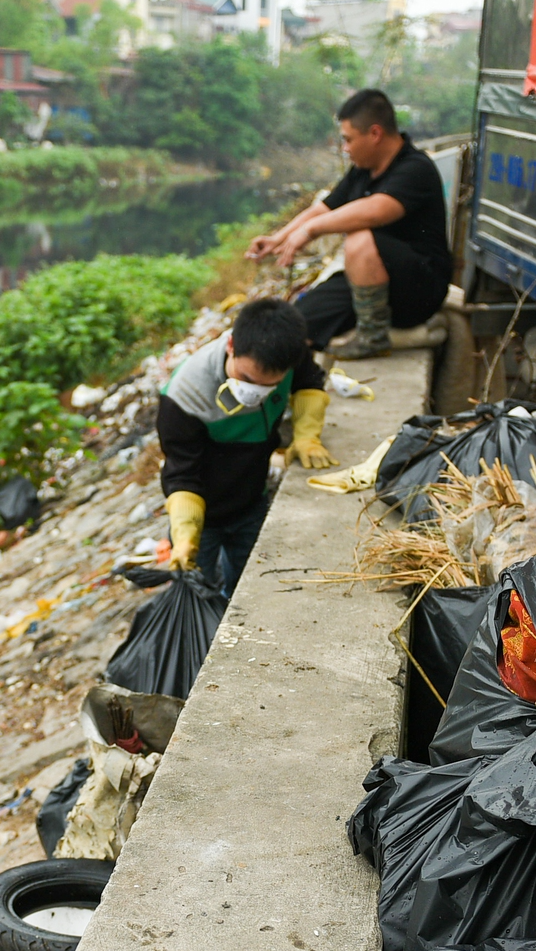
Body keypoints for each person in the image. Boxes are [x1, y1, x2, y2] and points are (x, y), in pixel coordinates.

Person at [246, 89, 452, 359]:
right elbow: (323, 207)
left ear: (375, 134)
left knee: (360, 238)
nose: (345, 148)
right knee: (297, 324)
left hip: (418, 290)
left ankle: (372, 337)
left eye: (348, 140)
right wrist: (280, 238)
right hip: (368, 281)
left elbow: (376, 210)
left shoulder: (415, 168)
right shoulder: (362, 171)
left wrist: (310, 231)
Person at [157, 298, 333, 596]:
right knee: (197, 594)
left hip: (252, 501)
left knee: (248, 592)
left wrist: (306, 436)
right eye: (247, 379)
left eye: (268, 386)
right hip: (204, 515)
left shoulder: (289, 356)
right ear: (230, 345)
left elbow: (310, 382)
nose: (255, 393)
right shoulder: (185, 395)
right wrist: (185, 532)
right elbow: (182, 472)